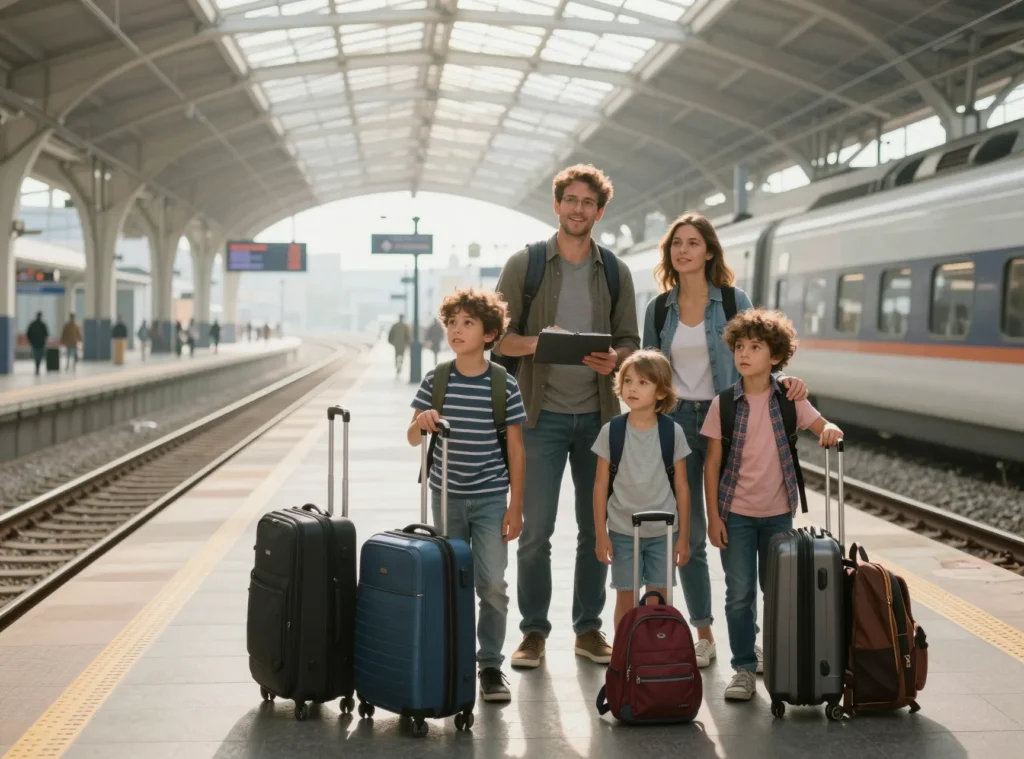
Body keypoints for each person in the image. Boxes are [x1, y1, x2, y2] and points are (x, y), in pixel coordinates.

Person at [641, 212, 808, 671]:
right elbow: (649, 371)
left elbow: (760, 356)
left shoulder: (734, 300)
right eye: (677, 243)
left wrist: (785, 381)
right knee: (689, 536)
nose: (683, 250)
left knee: (738, 527)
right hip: (676, 424)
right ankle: (704, 634)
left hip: (730, 422)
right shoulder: (659, 309)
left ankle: (749, 639)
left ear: (709, 251)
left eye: (693, 242)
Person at [494, 164, 639, 669]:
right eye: (571, 200)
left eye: (588, 203)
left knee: (595, 529)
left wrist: (616, 359)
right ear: (556, 205)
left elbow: (631, 341)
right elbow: (498, 338)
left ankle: (588, 629)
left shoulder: (615, 271)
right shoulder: (526, 264)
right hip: (539, 419)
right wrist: (539, 343)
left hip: (599, 420)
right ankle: (533, 633)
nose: (579, 209)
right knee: (535, 532)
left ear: (600, 212)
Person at [701, 307, 842, 701]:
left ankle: (781, 661)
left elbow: (822, 425)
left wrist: (830, 429)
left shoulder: (789, 400)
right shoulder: (723, 404)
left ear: (775, 356)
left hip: (779, 514)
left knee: (778, 592)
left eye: (755, 347)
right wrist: (713, 517)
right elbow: (712, 464)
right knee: (739, 593)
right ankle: (744, 668)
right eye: (739, 347)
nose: (744, 354)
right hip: (735, 514)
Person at [407, 288, 527, 703]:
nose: (456, 330)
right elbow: (412, 437)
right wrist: (422, 421)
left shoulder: (504, 384)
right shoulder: (436, 379)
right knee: (450, 580)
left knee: (492, 584)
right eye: (452, 323)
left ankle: (489, 664)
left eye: (468, 323)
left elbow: (516, 449)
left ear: (489, 334)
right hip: (447, 497)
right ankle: (453, 656)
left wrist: (516, 506)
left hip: (492, 497)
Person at [592, 350, 692, 628]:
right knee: (626, 599)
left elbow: (682, 487)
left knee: (658, 600)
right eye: (628, 381)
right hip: (622, 531)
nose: (632, 388)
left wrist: (683, 538)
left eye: (642, 382)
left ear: (661, 392)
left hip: (664, 533)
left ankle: (654, 650)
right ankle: (625, 650)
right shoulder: (612, 431)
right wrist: (601, 534)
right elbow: (600, 485)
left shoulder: (672, 432)